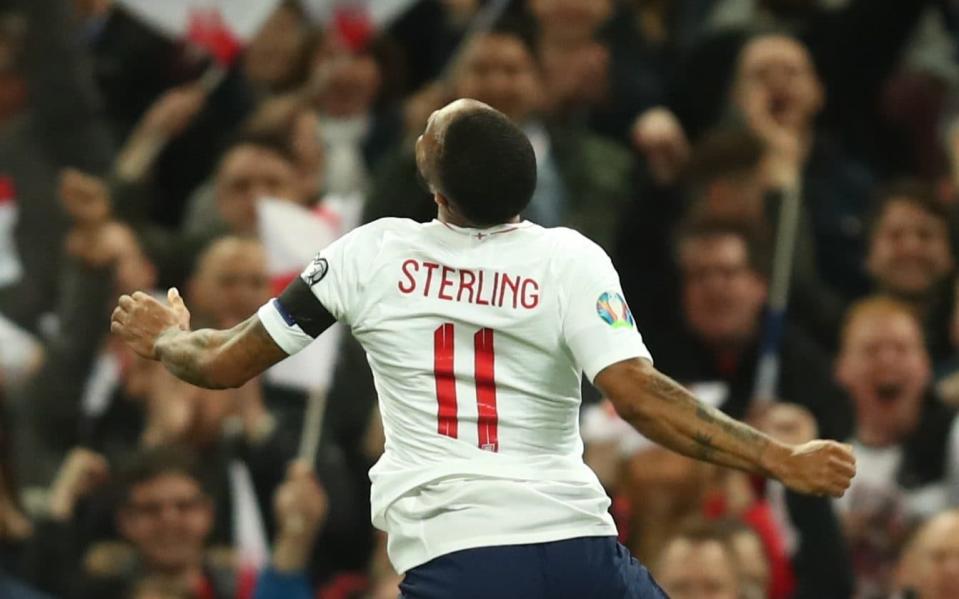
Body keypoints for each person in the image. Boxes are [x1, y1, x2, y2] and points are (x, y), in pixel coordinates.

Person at [111, 98, 855, 598]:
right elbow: (641, 396)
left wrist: (169, 342)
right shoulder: (572, 260)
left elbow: (222, 362)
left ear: (434, 185)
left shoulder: (369, 255)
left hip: (455, 555)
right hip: (578, 551)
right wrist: (776, 458)